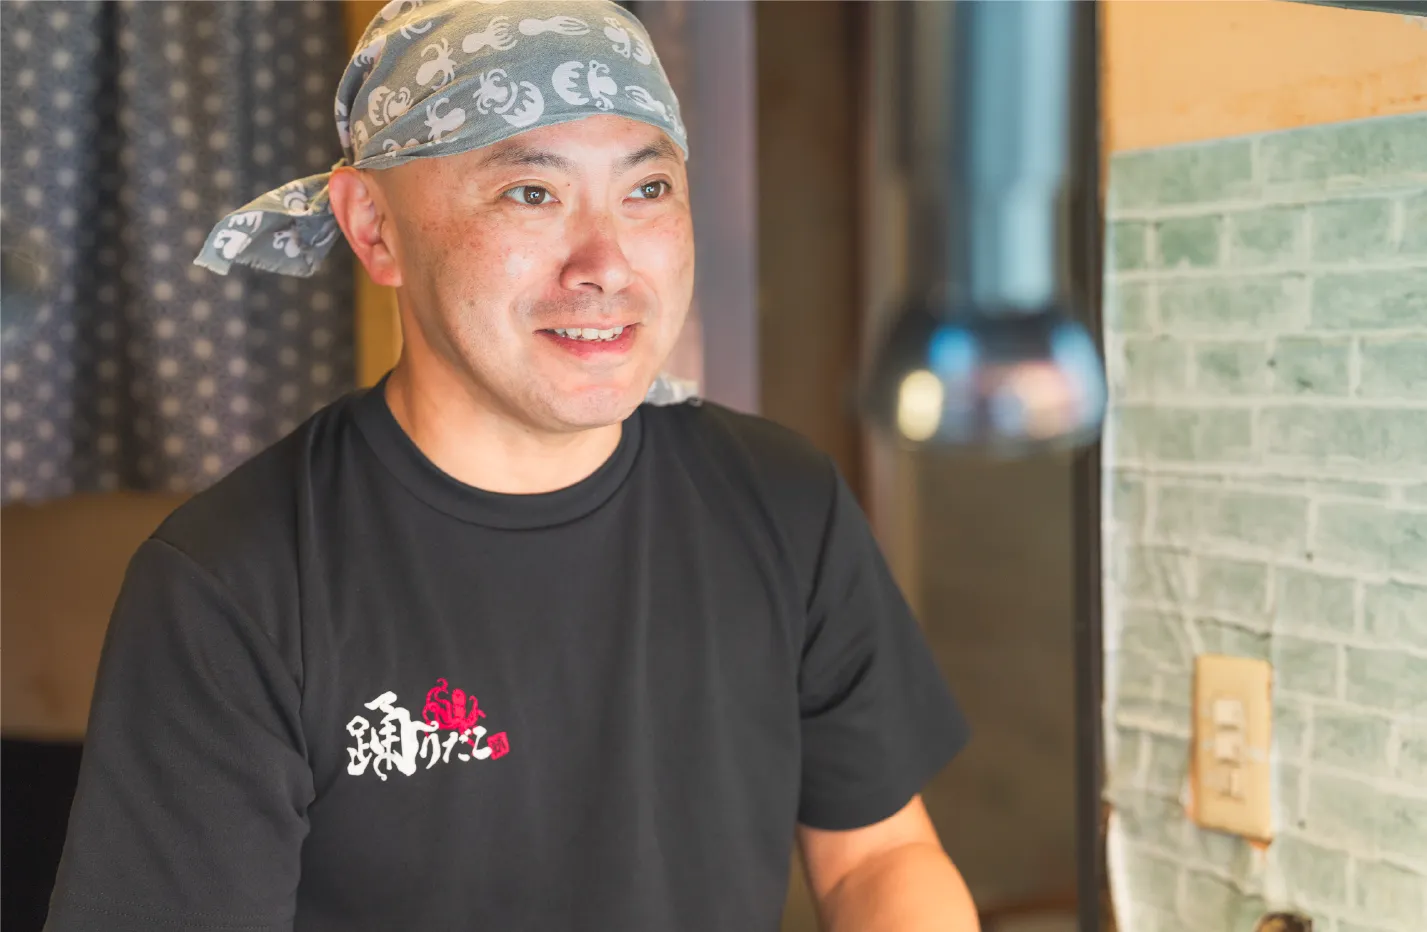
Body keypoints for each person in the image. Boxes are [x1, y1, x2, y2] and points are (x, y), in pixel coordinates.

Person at [45, 2, 977, 930]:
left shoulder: (782, 501)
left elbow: (877, 858)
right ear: (374, 227)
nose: (605, 263)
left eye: (647, 188)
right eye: (530, 193)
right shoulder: (234, 583)